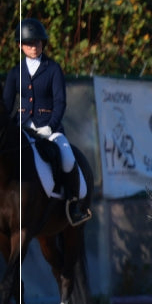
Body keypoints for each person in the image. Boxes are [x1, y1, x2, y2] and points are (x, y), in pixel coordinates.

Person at [3, 18, 90, 225]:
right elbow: (7, 105)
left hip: (49, 128)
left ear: (43, 43)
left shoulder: (53, 69)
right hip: (22, 127)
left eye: (38, 42)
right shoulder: (15, 73)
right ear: (20, 45)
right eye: (29, 43)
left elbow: (60, 102)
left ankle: (73, 205)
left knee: (68, 157)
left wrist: (50, 126)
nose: (34, 47)